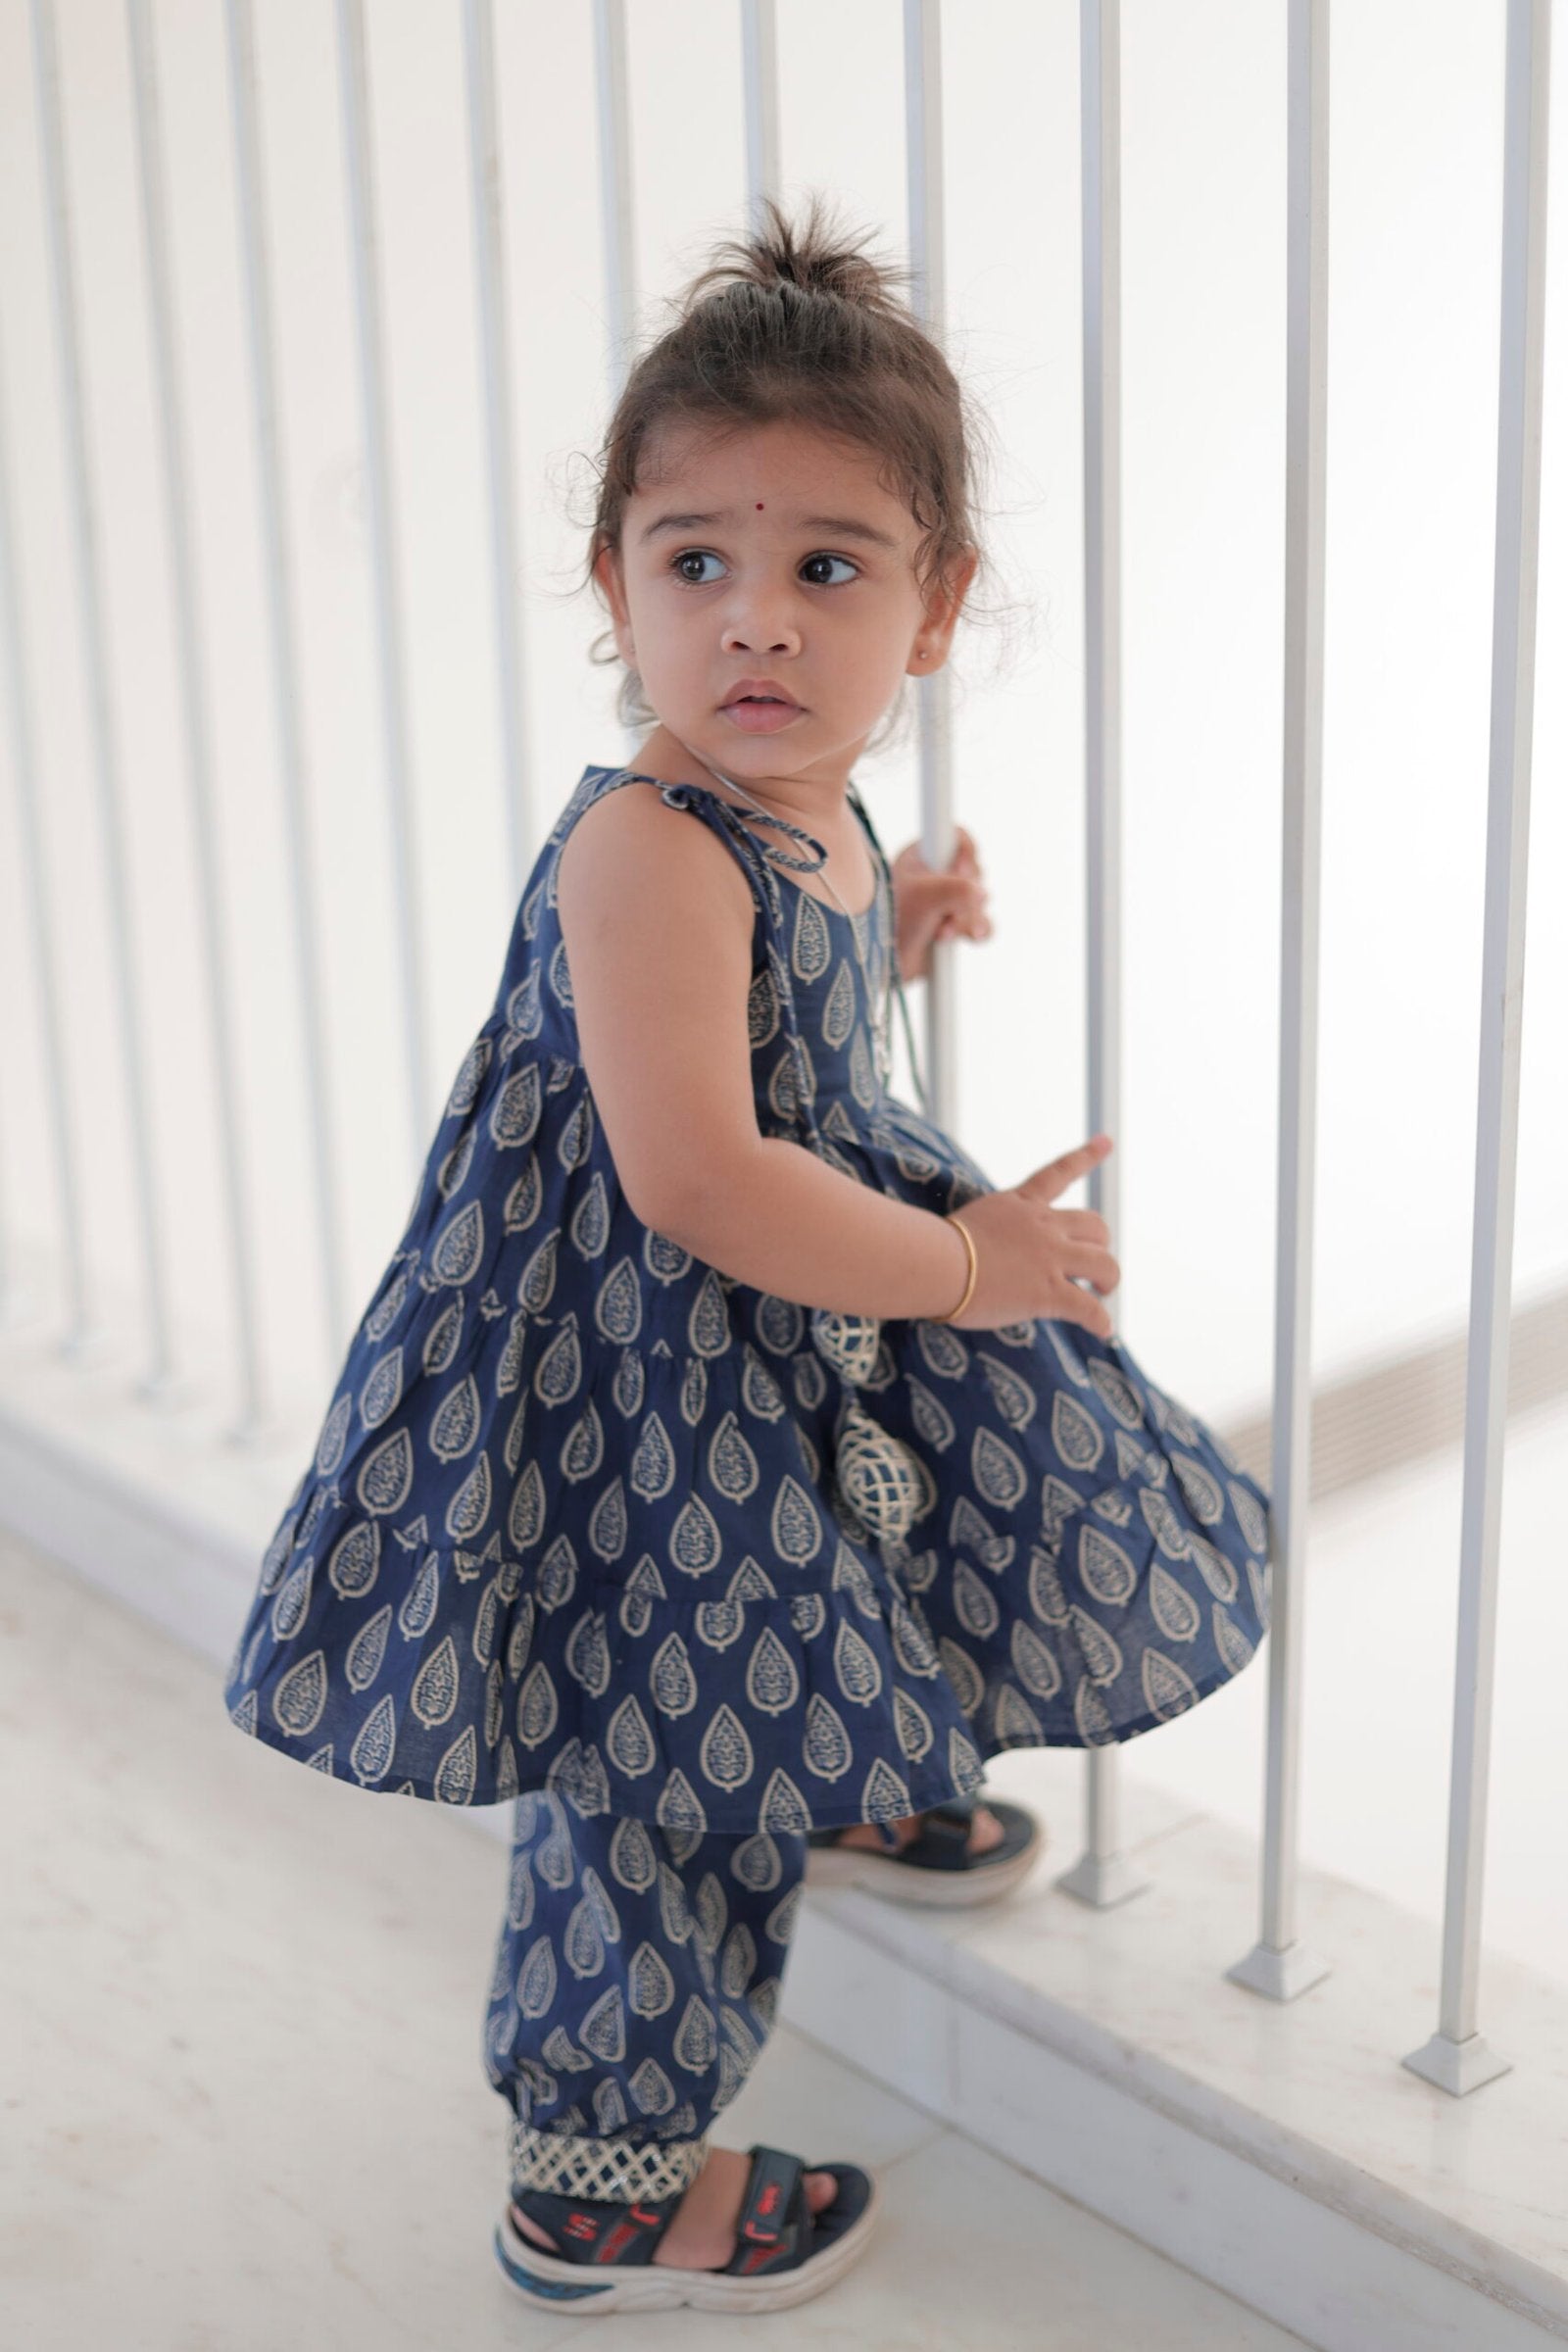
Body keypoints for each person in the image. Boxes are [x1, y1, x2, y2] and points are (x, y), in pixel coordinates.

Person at [220, 191, 1272, 2319]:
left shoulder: (808, 805)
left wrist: (892, 931)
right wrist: (969, 1268)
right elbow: (700, 1175)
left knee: (894, 1531)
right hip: (637, 1372)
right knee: (654, 1726)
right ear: (613, 584)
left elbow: (771, 1036)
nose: (756, 628)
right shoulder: (645, 846)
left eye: (826, 570)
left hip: (765, 1335)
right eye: (694, 563)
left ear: (936, 602)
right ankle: (600, 2178)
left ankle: (838, 1763)